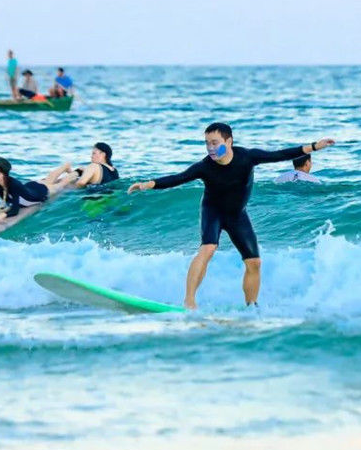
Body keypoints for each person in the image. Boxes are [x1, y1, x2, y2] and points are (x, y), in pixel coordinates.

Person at [127, 122, 335, 309]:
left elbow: (280, 154)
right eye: (207, 143)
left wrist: (314, 146)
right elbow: (178, 178)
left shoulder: (247, 157)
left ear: (229, 141)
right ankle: (189, 301)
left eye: (215, 142)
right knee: (208, 248)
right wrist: (147, 184)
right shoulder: (204, 166)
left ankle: (251, 307)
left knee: (254, 262)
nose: (210, 148)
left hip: (237, 215)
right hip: (213, 211)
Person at [0, 157, 75, 224]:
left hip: (40, 193)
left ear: (2, 173)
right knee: (48, 179)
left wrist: (3, 215)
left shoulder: (13, 185)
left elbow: (15, 210)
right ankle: (66, 166)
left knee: (61, 184)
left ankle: (77, 173)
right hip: (30, 186)